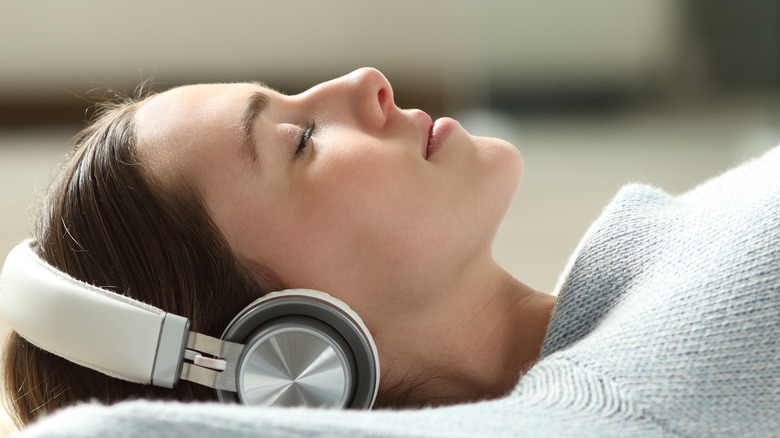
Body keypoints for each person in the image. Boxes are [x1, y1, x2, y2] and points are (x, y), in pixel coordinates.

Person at [3, 68, 779, 437]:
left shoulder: (627, 288)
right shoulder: (609, 411)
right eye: (300, 141)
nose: (364, 81)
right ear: (288, 359)